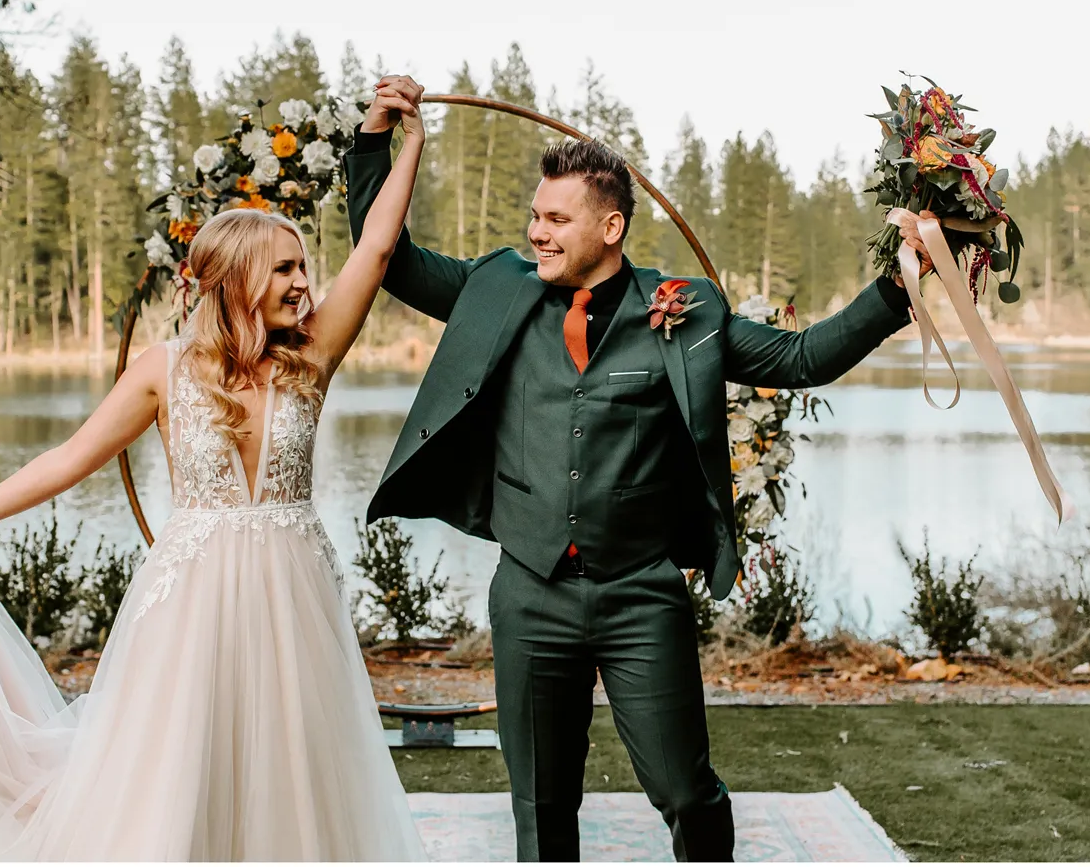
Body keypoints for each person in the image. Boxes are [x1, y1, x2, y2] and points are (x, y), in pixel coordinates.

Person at [0, 79, 432, 861]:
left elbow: (378, 249)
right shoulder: (164, 368)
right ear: (235, 281)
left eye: (301, 266)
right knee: (177, 771)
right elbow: (69, 459)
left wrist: (406, 142)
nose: (302, 282)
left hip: (294, 599)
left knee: (292, 768)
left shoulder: (312, 356)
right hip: (192, 605)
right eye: (283, 269)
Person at [346, 75, 928, 862]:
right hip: (530, 593)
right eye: (534, 216)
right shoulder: (495, 289)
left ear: (610, 226)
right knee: (541, 807)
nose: (537, 232)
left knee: (688, 793)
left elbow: (801, 358)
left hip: (641, 597)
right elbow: (387, 257)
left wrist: (897, 288)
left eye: (557, 219)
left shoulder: (684, 312)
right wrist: (374, 144)